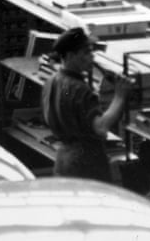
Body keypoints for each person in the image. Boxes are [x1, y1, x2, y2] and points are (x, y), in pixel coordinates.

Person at [41, 27, 132, 181]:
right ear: (70, 56)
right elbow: (100, 127)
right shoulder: (80, 89)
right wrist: (119, 96)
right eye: (86, 53)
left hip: (63, 159)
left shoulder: (51, 81)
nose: (91, 57)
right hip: (86, 162)